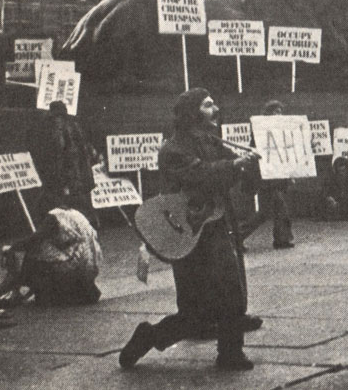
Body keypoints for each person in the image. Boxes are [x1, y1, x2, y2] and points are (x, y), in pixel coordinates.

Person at [119, 88, 262, 371]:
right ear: (192, 113)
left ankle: (230, 353)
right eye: (208, 105)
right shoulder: (173, 149)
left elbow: (236, 177)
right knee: (195, 314)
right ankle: (148, 336)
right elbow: (201, 175)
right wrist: (235, 164)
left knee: (231, 293)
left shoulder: (212, 142)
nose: (216, 109)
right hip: (186, 234)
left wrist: (251, 168)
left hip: (214, 228)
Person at [0, 207, 102, 307]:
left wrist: (11, 248)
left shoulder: (54, 216)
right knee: (44, 249)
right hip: (90, 269)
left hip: (76, 269)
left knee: (34, 251)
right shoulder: (75, 214)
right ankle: (19, 289)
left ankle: (12, 290)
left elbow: (34, 240)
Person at [30, 101, 99, 230]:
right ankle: (91, 225)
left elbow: (59, 151)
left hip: (68, 174)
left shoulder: (57, 125)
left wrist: (61, 178)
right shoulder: (75, 124)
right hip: (81, 174)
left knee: (65, 203)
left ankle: (69, 228)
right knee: (81, 203)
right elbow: (88, 150)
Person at [260, 100, 295, 249]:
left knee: (268, 212)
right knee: (281, 209)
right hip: (269, 178)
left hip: (279, 178)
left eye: (280, 112)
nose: (279, 114)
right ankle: (282, 240)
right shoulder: (260, 129)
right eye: (275, 111)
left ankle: (281, 239)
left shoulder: (282, 132)